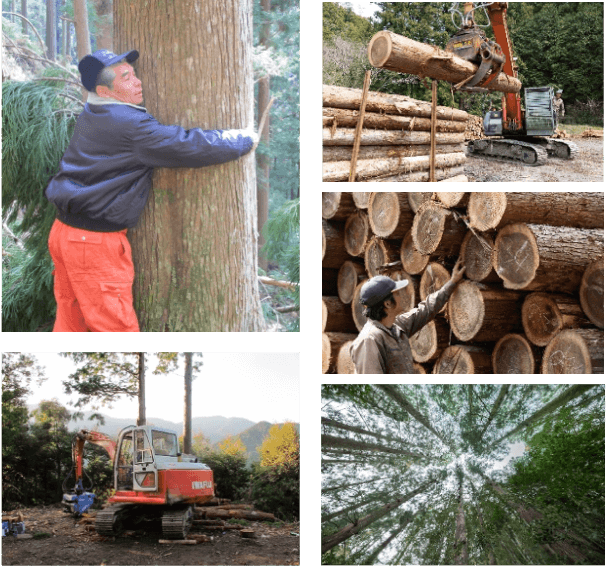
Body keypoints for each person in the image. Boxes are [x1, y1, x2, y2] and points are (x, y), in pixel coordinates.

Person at [45, 49, 259, 332]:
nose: (138, 82)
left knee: (72, 320)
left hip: (64, 234)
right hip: (93, 244)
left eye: (133, 74)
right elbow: (186, 145)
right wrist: (241, 139)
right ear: (103, 91)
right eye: (125, 78)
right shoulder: (130, 125)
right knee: (114, 326)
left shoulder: (92, 111)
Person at [350, 258, 467, 373]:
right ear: (388, 303)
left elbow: (426, 309)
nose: (401, 296)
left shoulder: (398, 325)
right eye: (396, 294)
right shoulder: (369, 340)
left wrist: (452, 283)